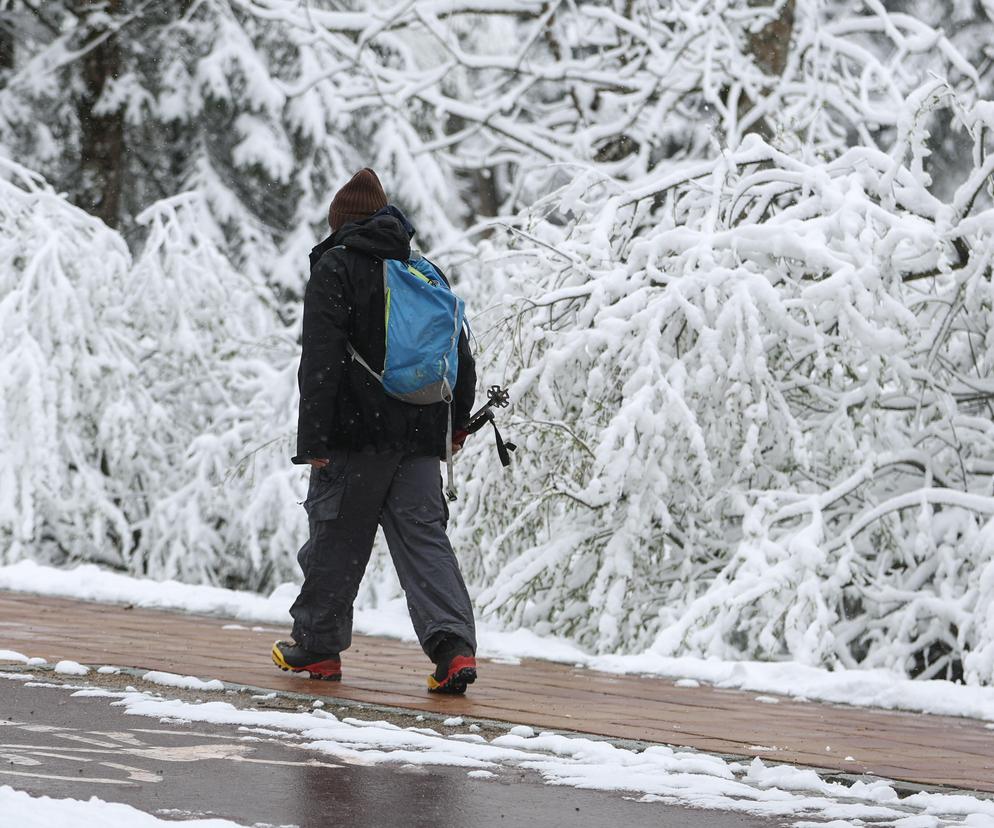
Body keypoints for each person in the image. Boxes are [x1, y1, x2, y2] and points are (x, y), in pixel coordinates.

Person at [271, 168, 479, 694]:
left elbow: (320, 359)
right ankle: (453, 650)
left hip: (356, 436)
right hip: (421, 433)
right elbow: (460, 352)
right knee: (424, 541)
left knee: (338, 540)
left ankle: (317, 650)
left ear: (340, 222)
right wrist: (452, 430)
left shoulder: (336, 267)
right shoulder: (422, 269)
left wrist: (313, 441)